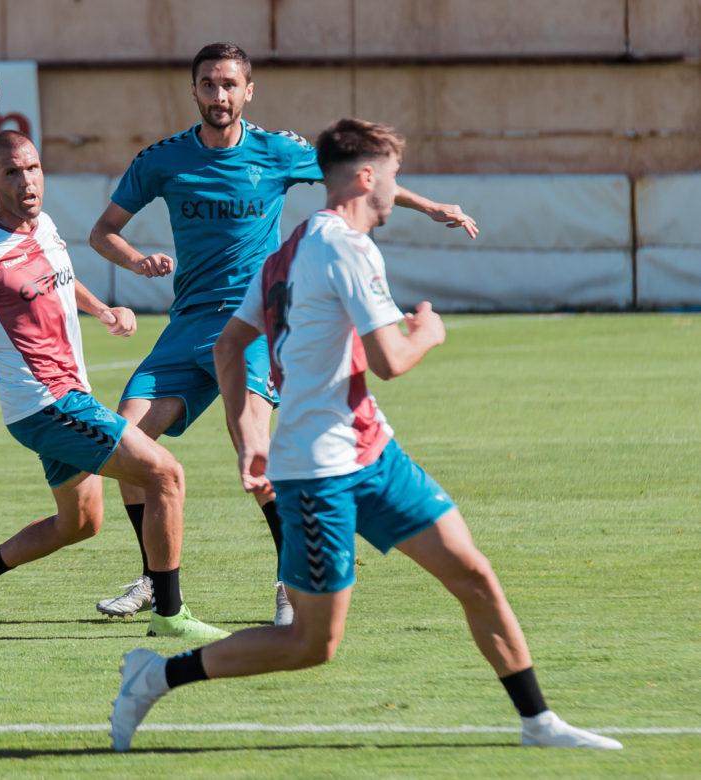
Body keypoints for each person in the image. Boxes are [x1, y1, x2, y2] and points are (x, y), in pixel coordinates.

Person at [108, 118, 621, 751]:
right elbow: (391, 360)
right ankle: (156, 674)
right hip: (318, 472)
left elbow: (234, 344)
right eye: (395, 176)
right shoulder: (345, 249)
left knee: (473, 574)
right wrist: (429, 331)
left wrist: (247, 432)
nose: (396, 190)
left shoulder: (289, 248)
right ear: (368, 177)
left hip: (374, 453)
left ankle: (539, 721)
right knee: (310, 644)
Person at [90, 42, 480, 625]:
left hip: (249, 327)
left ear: (249, 91)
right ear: (193, 90)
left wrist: (429, 206)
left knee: (257, 460)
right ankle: (155, 578)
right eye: (207, 85)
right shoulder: (162, 160)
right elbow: (103, 232)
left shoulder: (277, 152)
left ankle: (288, 585)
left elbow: (355, 178)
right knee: (129, 444)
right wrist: (137, 261)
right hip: (185, 329)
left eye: (229, 85)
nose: (218, 96)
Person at [0, 130, 227, 642]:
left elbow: (61, 275)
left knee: (80, 522)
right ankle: (170, 613)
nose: (27, 181)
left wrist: (103, 310)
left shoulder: (45, 226)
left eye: (33, 168)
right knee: (165, 475)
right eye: (12, 173)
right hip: (45, 404)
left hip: (67, 398)